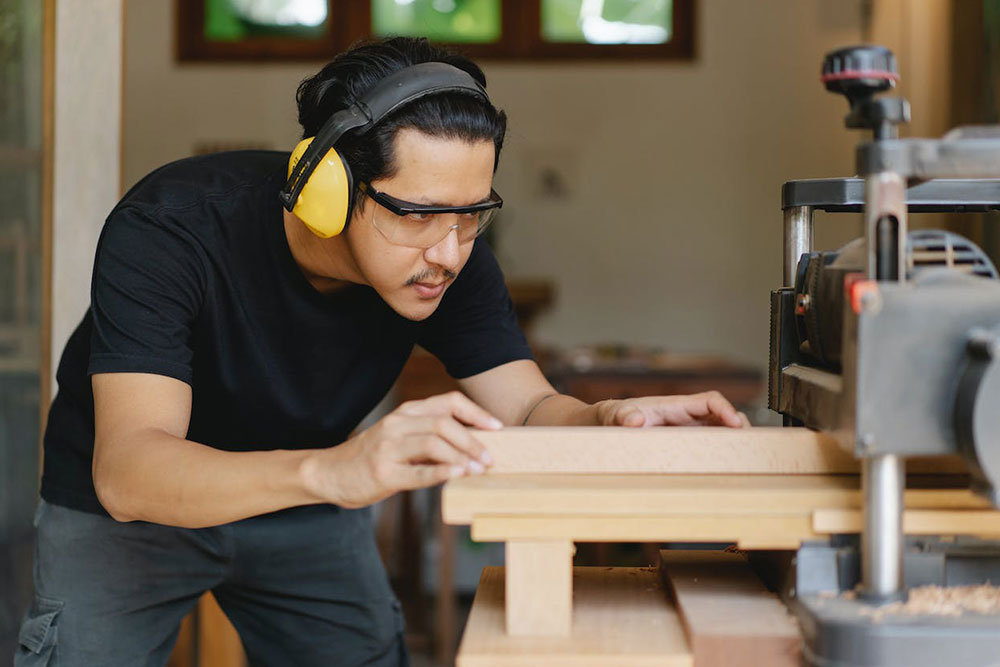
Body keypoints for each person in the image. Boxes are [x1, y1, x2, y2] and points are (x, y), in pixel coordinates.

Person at [16, 37, 748, 667]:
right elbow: (132, 470)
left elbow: (526, 405)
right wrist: (343, 468)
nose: (449, 253)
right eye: (421, 216)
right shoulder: (170, 229)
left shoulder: (451, 257)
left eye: (473, 217)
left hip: (311, 497)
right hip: (130, 512)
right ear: (325, 188)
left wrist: (609, 419)